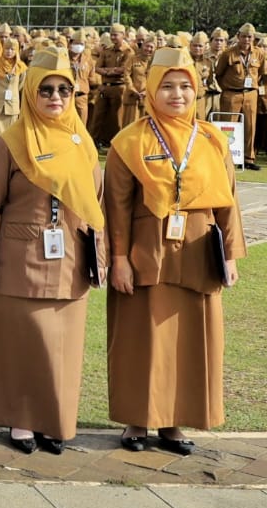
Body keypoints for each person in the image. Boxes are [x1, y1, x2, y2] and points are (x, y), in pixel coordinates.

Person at [106, 44, 244, 455]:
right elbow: (117, 206)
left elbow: (228, 200)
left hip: (199, 252)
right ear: (151, 89)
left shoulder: (212, 139)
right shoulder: (128, 141)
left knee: (190, 339)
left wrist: (231, 254)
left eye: (185, 86)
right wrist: (118, 259)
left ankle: (175, 422)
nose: (177, 95)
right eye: (167, 86)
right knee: (140, 338)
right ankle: (137, 420)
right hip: (145, 254)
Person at [0, 46, 103, 455]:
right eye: (46, 90)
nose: (56, 98)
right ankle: (21, 420)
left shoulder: (83, 142)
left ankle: (54, 421)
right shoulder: (11, 143)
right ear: (31, 93)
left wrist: (102, 260)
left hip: (69, 261)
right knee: (21, 343)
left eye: (65, 90)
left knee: (62, 349)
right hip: (19, 262)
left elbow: (96, 204)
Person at [214, 23, 263, 171]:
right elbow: (219, 74)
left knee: (250, 126)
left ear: (253, 38)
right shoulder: (228, 53)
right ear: (238, 36)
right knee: (228, 126)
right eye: (243, 36)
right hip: (231, 93)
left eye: (249, 37)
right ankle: (227, 156)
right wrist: (228, 88)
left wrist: (251, 86)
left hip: (250, 94)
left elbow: (260, 73)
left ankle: (249, 158)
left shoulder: (259, 53)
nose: (246, 39)